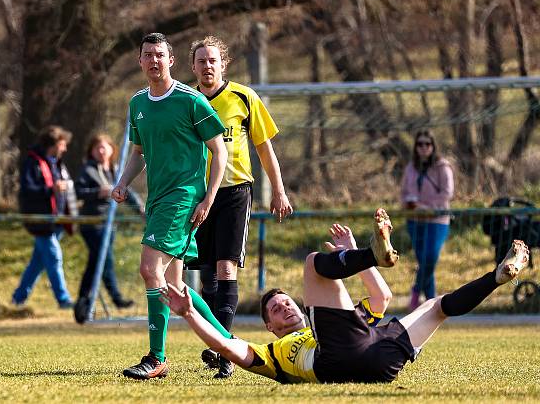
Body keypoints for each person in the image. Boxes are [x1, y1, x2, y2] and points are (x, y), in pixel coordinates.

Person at [162, 208, 530, 384]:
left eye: (286, 300)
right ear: (269, 326)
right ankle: (371, 253)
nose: (285, 305)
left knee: (437, 306)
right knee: (311, 263)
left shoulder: (332, 320)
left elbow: (381, 298)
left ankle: (496, 277)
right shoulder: (270, 355)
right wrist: (190, 314)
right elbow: (228, 348)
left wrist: (357, 254)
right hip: (333, 358)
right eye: (275, 308)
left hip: (379, 356)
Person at [112, 32, 230, 380]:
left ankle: (156, 357)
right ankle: (229, 345)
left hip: (183, 198)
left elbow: (219, 150)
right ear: (140, 61)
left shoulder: (190, 100)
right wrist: (122, 183)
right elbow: (139, 153)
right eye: (147, 55)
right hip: (158, 199)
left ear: (171, 60)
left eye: (159, 55)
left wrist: (208, 197)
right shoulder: (138, 104)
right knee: (176, 289)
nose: (153, 61)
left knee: (150, 269)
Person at [189, 35, 294, 378]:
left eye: (213, 60)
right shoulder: (186, 100)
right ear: (193, 66)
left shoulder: (244, 97)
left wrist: (278, 190)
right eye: (201, 61)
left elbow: (264, 148)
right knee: (206, 276)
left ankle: (222, 355)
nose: (207, 66)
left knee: (225, 269)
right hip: (196, 194)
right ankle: (225, 340)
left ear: (224, 64)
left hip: (235, 192)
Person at [73, 133, 142, 322]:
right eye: (97, 148)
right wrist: (98, 192)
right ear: (92, 151)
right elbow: (78, 192)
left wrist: (140, 210)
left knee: (96, 262)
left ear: (112, 149)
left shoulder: (116, 170)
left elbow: (128, 192)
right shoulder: (88, 170)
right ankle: (116, 297)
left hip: (108, 224)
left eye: (104, 147)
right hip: (92, 224)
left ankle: (82, 302)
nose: (101, 151)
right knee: (105, 259)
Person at [12, 125, 76, 309]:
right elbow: (27, 190)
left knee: (37, 264)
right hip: (41, 223)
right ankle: (63, 300)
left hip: (56, 221)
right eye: (62, 144)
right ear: (54, 144)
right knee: (54, 257)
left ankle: (17, 299)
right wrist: (51, 190)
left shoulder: (56, 163)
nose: (64, 149)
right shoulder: (32, 163)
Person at [400, 130, 454, 311]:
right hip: (415, 219)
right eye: (419, 144)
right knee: (422, 260)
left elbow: (447, 192)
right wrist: (409, 203)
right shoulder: (411, 167)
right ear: (415, 147)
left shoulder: (442, 166)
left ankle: (416, 291)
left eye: (427, 144)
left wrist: (426, 206)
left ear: (433, 146)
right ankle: (432, 303)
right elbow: (404, 191)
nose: (423, 148)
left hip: (437, 219)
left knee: (430, 257)